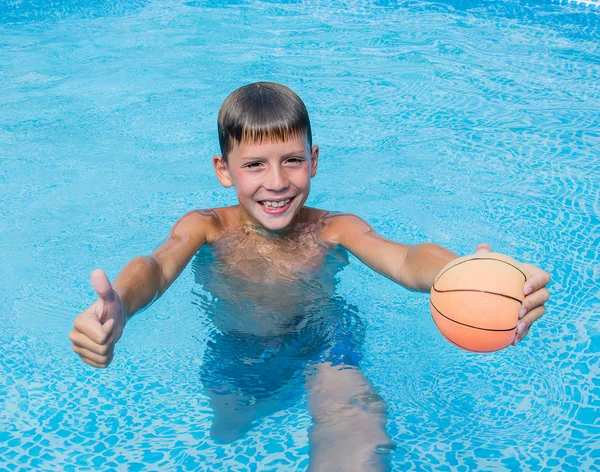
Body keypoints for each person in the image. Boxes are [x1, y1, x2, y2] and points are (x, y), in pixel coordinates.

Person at [69, 82, 551, 471]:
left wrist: (458, 271)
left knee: (359, 431)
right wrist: (122, 303)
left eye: (292, 161)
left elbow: (405, 259)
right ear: (224, 170)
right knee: (229, 429)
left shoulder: (332, 227)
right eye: (254, 165)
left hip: (323, 338)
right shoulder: (208, 226)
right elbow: (156, 266)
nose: (276, 182)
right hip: (239, 351)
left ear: (314, 161)